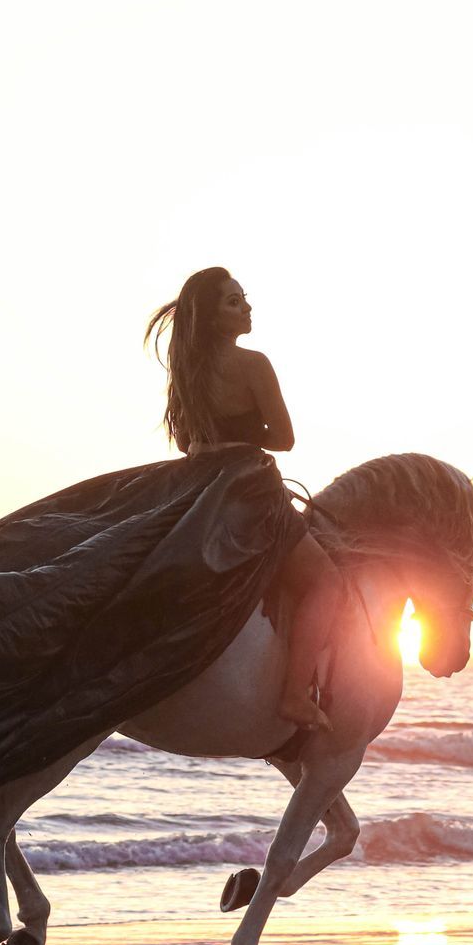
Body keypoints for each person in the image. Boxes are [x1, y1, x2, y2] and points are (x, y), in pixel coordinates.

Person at [145, 267, 342, 730]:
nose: (247, 307)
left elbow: (185, 440)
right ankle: (294, 695)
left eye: (244, 298)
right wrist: (246, 435)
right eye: (233, 302)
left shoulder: (186, 370)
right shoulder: (253, 364)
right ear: (211, 317)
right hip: (247, 488)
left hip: (195, 489)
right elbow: (285, 438)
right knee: (327, 582)